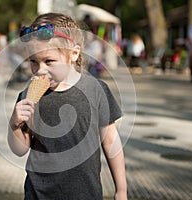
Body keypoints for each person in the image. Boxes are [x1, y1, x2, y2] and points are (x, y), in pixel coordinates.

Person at [8, 13, 127, 200]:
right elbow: (20, 149)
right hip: (38, 194)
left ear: (74, 53)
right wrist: (14, 125)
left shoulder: (96, 91)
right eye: (33, 61)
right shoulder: (27, 96)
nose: (40, 70)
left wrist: (121, 189)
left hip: (85, 193)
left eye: (49, 61)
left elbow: (111, 141)